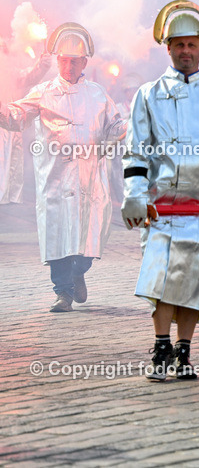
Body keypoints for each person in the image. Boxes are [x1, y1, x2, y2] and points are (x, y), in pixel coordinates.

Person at [122, 0, 199, 381]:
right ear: (168, 49)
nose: (186, 52)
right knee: (161, 277)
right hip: (162, 209)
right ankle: (161, 345)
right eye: (178, 45)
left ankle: (185, 351)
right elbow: (136, 149)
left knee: (193, 280)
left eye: (192, 44)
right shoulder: (147, 95)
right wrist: (134, 194)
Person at [0, 24, 126, 313]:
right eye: (64, 60)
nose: (68, 66)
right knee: (56, 234)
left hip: (89, 179)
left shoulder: (97, 94)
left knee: (89, 237)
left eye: (74, 61)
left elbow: (116, 126)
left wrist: (133, 125)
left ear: (84, 62)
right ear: (57, 61)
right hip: (54, 179)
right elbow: (16, 116)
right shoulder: (42, 92)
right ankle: (63, 293)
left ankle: (79, 271)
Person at [0, 51, 51, 205]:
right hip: (2, 122)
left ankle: (11, 198)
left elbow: (30, 75)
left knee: (14, 160)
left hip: (12, 120)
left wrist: (42, 64)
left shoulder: (10, 72)